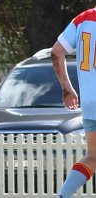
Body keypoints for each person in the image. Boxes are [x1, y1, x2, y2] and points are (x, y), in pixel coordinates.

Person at [51, 7, 96, 198]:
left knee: (93, 156)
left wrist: (67, 89)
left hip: (90, 104)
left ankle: (63, 195)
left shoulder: (83, 19)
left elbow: (56, 52)